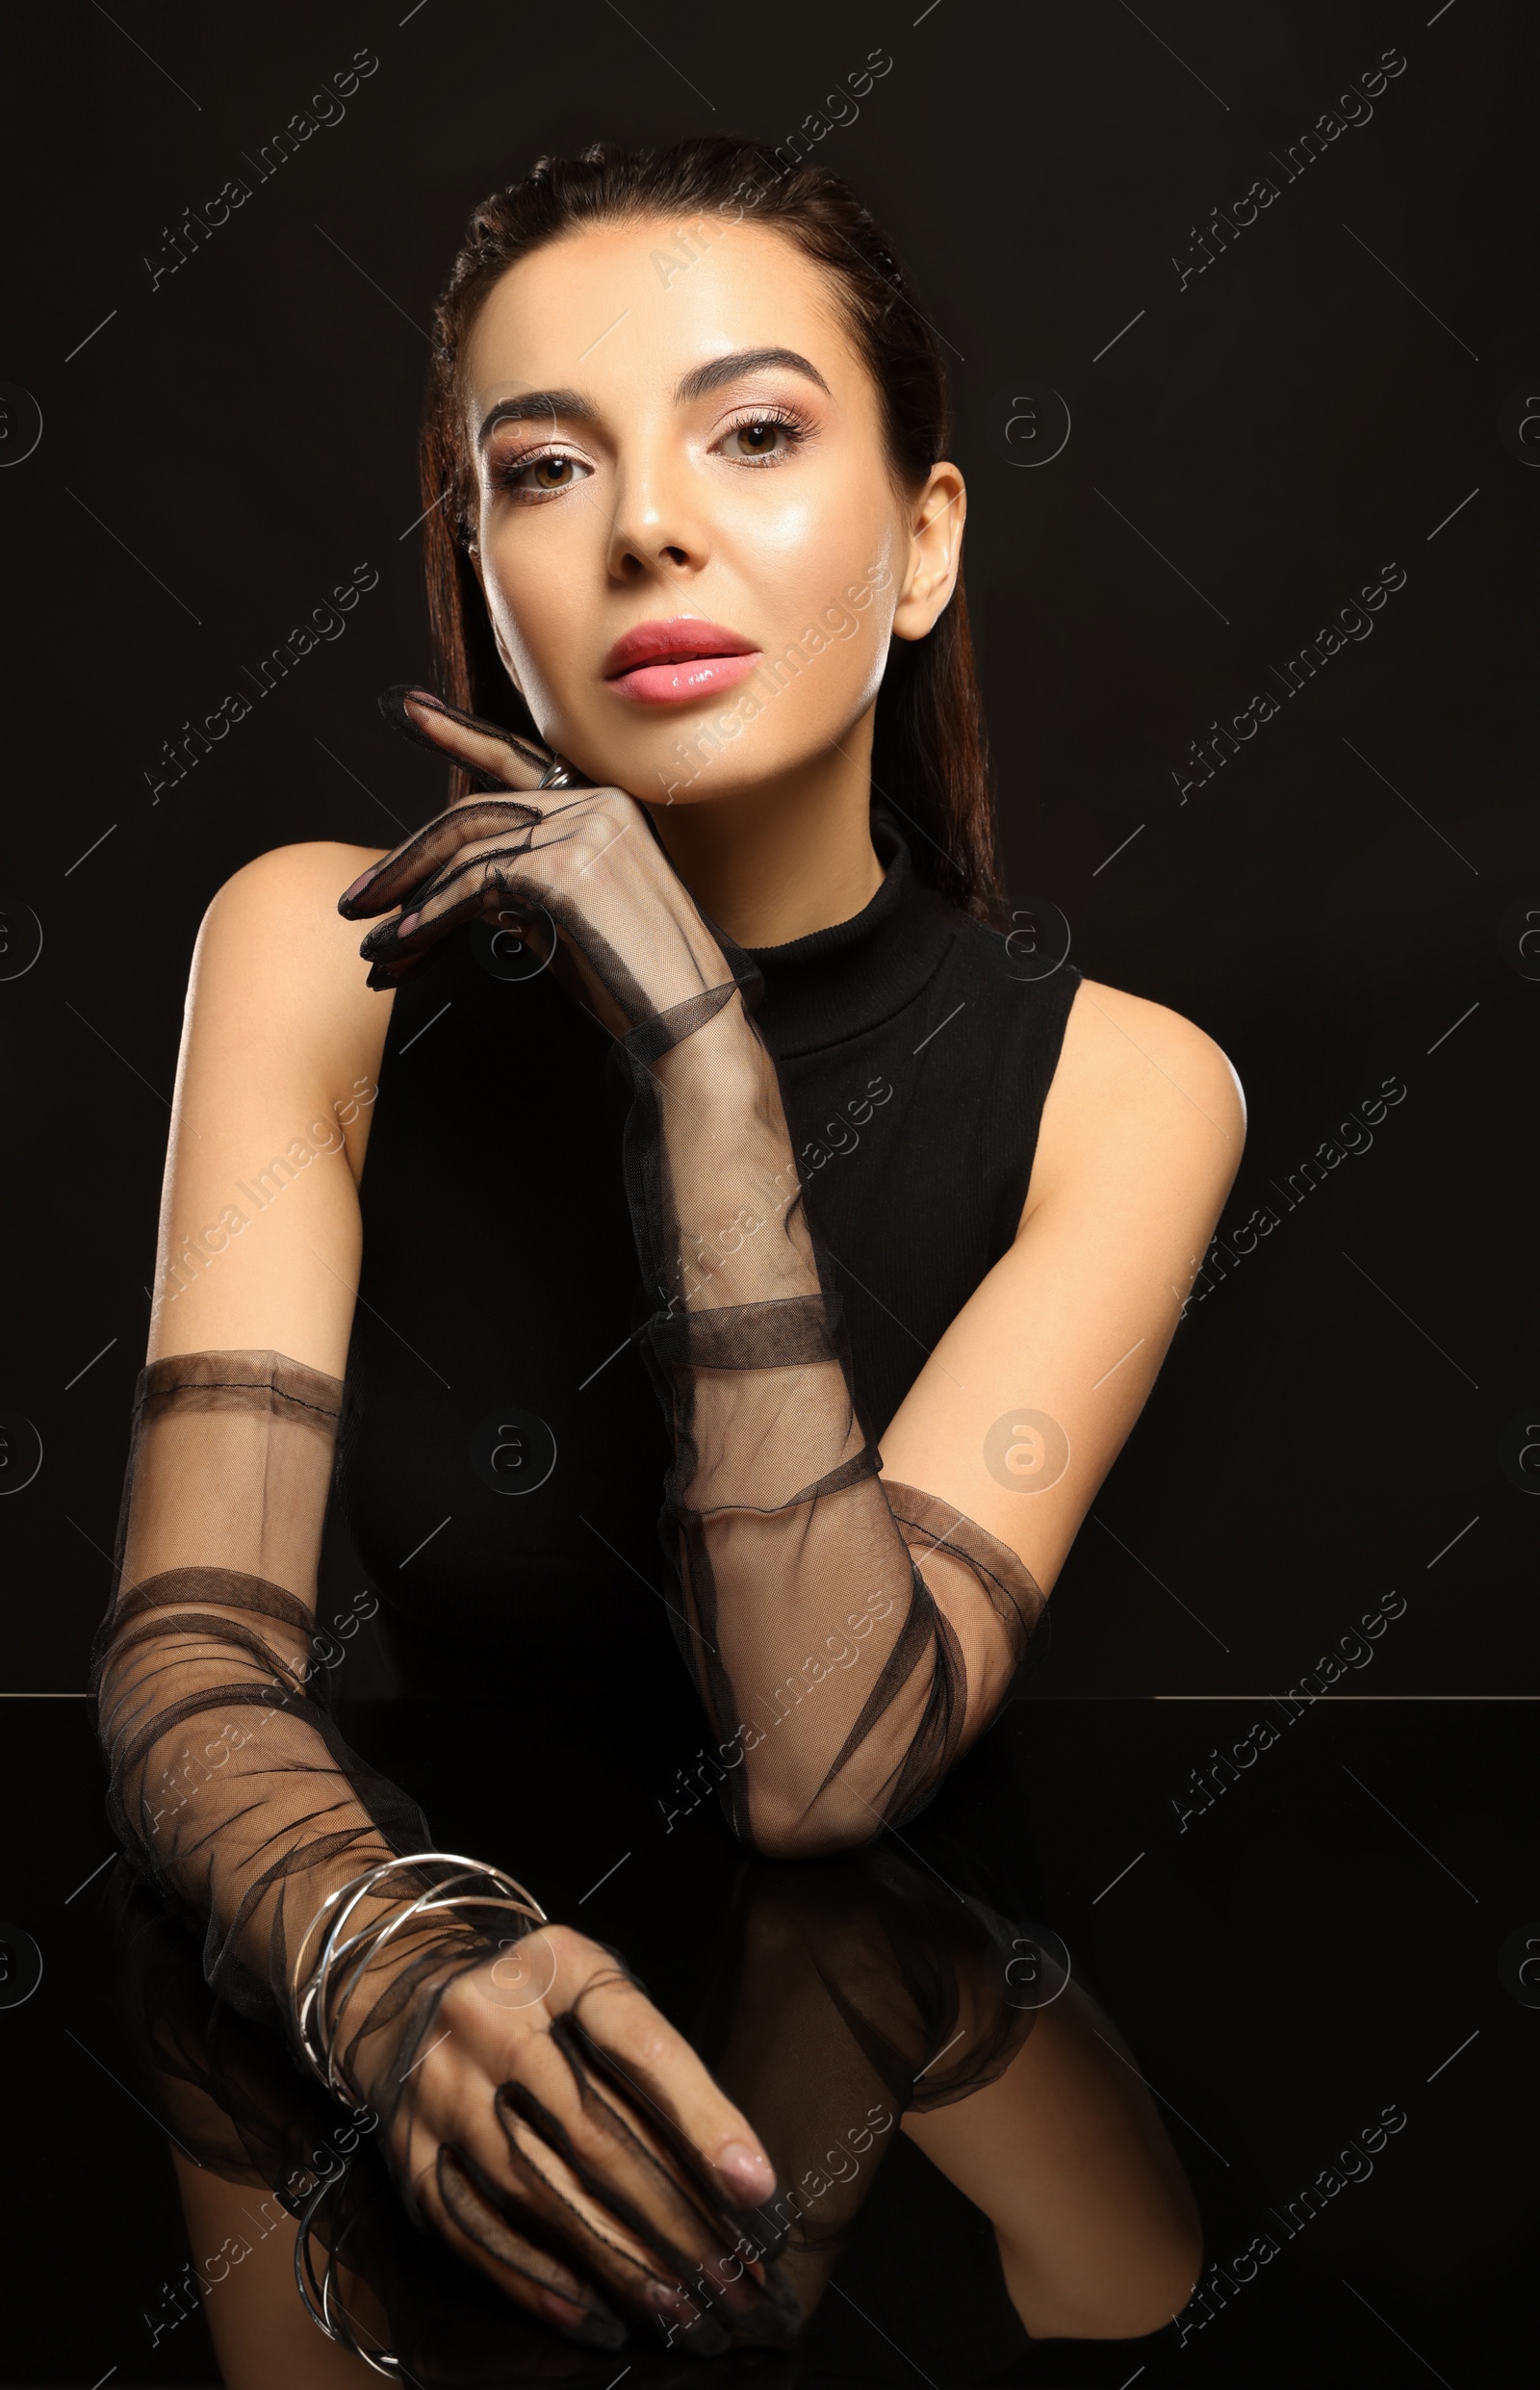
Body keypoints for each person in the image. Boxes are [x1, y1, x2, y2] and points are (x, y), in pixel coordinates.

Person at [90, 138, 1231, 2367]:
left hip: (888, 2056)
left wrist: (702, 1070)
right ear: (485, 566)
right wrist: (391, 1974)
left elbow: (825, 1773)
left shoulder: (1124, 1089)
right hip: (409, 2056)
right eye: (541, 468)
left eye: (755, 433)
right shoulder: (317, 960)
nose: (643, 527)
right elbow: (187, 1658)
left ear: (921, 544)